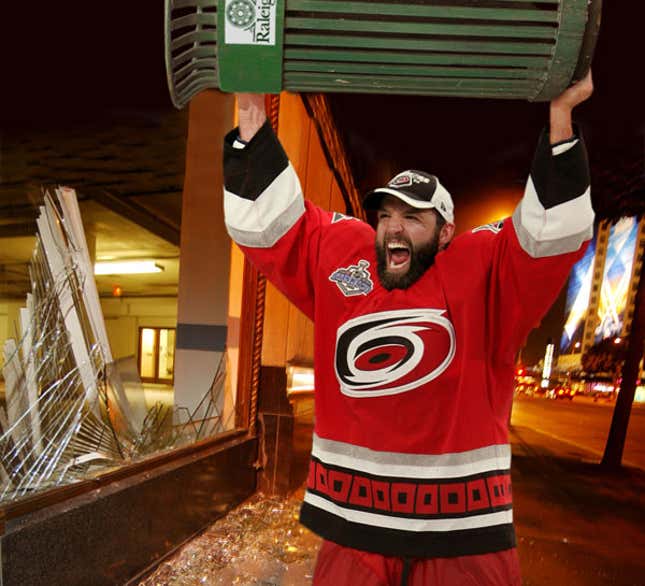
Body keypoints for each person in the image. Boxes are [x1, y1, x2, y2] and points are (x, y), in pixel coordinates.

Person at [222, 72, 594, 585]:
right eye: (386, 214)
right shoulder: (347, 265)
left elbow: (549, 238)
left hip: (462, 541)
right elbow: (271, 227)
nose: (393, 225)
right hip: (354, 535)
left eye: (413, 217)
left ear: (446, 233)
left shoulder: (481, 274)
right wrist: (249, 102)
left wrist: (561, 116)